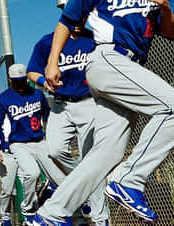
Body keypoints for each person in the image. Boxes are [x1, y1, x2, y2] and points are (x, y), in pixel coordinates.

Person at [31, 0, 174, 225]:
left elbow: (171, 33)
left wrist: (167, 10)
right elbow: (67, 21)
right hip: (107, 59)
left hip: (129, 68)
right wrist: (52, 62)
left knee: (106, 153)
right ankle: (130, 181)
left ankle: (52, 213)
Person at [27, 23, 109, 226]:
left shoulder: (94, 38)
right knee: (54, 150)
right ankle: (84, 184)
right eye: (75, 15)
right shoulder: (49, 41)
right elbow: (32, 71)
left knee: (93, 160)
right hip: (60, 105)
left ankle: (101, 220)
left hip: (89, 102)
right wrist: (43, 81)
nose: (79, 21)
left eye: (83, 16)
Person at [0, 64, 66, 223]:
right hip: (13, 147)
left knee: (59, 178)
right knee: (12, 186)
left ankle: (72, 213)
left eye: (23, 81)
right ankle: (15, 214)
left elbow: (48, 115)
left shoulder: (37, 94)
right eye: (17, 81)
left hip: (38, 141)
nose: (21, 84)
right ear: (10, 80)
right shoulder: (3, 99)